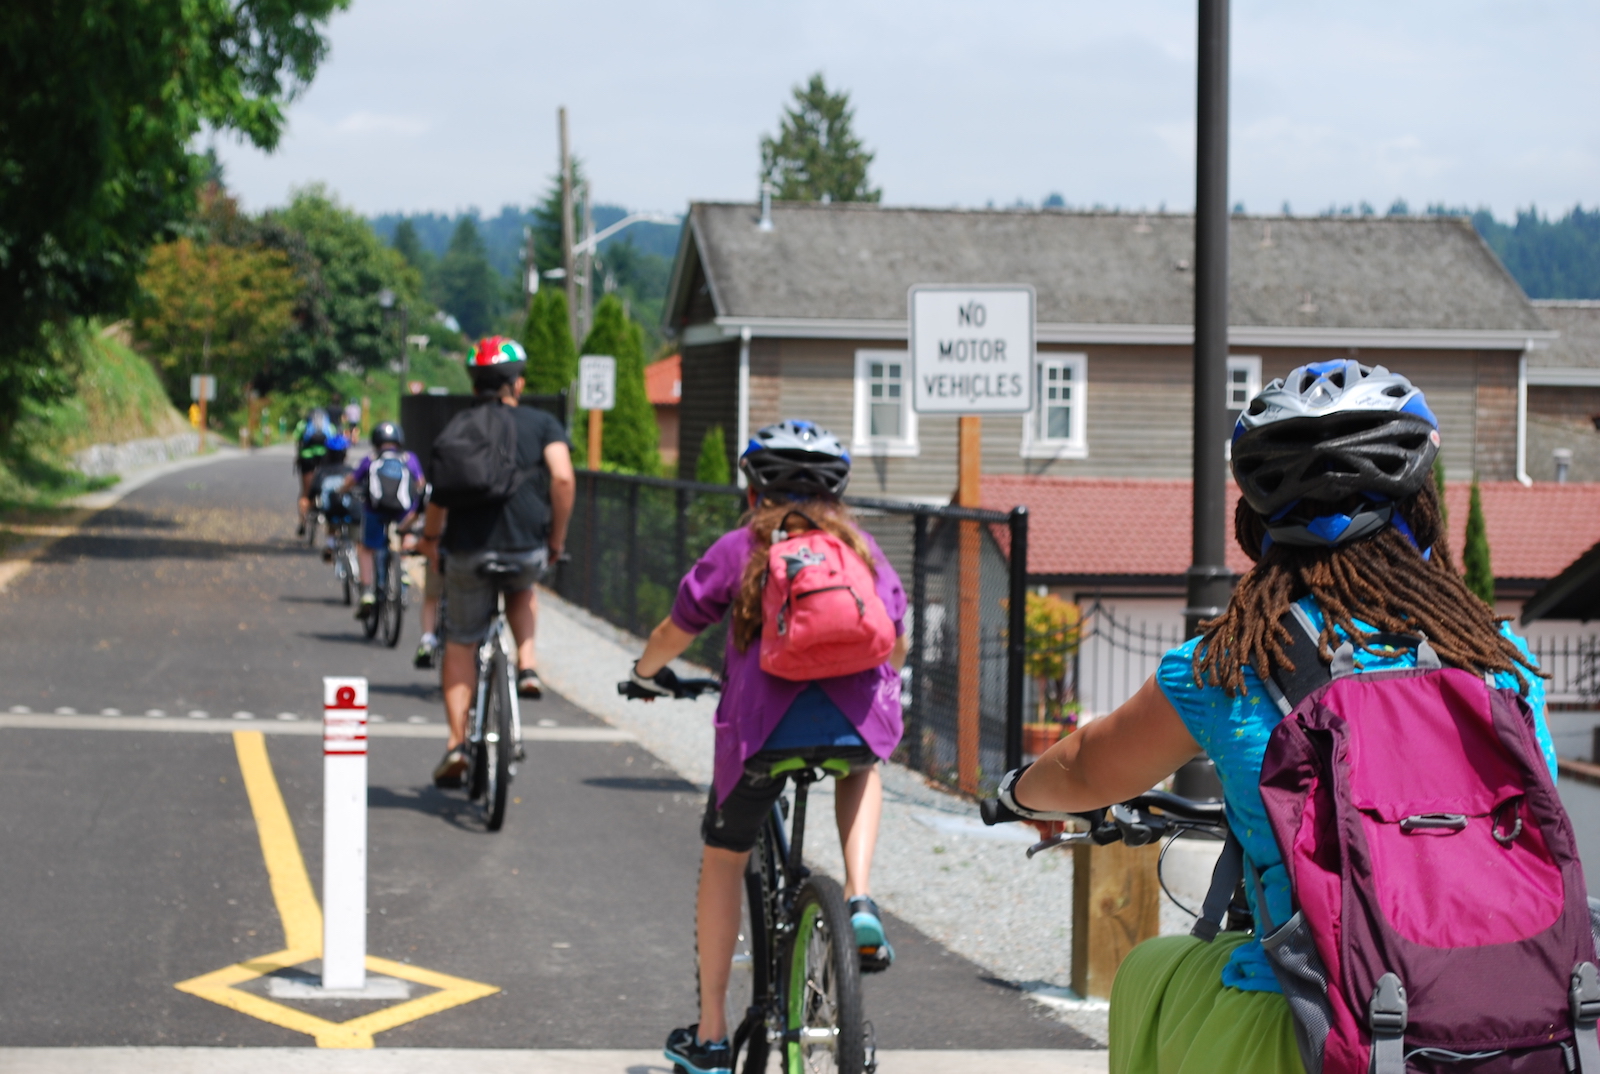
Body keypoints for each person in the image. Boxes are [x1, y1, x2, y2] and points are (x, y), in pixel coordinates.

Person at [999, 361, 1553, 1074]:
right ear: (1420, 510)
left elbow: (1084, 770)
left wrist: (1013, 793)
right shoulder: (1501, 659)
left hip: (1315, 1024)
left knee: (1152, 970)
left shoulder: (1230, 663)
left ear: (1257, 524)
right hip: (1513, 1019)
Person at [627, 420, 907, 1074]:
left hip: (762, 730)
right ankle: (860, 900)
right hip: (853, 722)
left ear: (754, 486)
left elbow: (678, 626)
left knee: (725, 858)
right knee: (861, 766)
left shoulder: (741, 547)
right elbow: (893, 635)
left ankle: (714, 1033)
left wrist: (645, 674)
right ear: (836, 491)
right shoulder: (861, 548)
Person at [416, 336, 575, 786]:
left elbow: (438, 496)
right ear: (517, 384)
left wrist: (430, 540)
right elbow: (563, 478)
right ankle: (527, 665)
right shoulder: (541, 423)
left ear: (475, 383)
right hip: (525, 546)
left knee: (462, 641)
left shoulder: (456, 427)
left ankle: (455, 744)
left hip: (466, 550)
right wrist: (556, 540)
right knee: (524, 588)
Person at [343, 421, 425, 620]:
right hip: (404, 511)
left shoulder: (370, 459)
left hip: (375, 510)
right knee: (406, 536)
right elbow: (420, 484)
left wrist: (340, 492)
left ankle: (368, 592)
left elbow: (352, 481)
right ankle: (403, 569)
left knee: (366, 548)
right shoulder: (409, 458)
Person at [308, 433, 356, 561]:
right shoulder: (350, 470)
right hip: (349, 510)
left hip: (330, 510)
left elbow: (314, 491)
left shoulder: (322, 471)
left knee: (331, 522)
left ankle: (330, 545)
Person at [293, 406, 338, 535]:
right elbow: (334, 441)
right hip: (325, 460)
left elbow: (297, 439)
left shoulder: (303, 424)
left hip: (307, 459)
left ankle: (302, 522)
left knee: (305, 492)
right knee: (328, 489)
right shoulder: (329, 425)